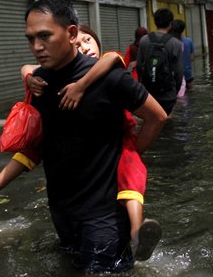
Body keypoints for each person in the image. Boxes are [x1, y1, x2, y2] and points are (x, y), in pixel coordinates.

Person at [0, 0, 167, 273]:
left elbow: (157, 117)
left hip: (104, 213)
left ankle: (134, 232)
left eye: (45, 36)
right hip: (61, 209)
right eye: (30, 39)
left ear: (71, 33)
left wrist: (128, 155)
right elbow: (36, 145)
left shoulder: (109, 77)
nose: (36, 47)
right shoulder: (39, 84)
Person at [20, 24, 160, 261]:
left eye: (88, 40)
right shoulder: (51, 79)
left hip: (122, 145)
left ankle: (137, 230)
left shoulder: (108, 69)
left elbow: (113, 58)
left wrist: (81, 86)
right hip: (68, 199)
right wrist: (29, 77)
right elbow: (26, 66)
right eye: (80, 44)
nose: (84, 47)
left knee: (131, 181)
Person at [136, 8, 183, 116]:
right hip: (167, 94)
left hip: (148, 94)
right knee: (166, 124)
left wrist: (144, 85)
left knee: (150, 121)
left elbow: (139, 66)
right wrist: (174, 92)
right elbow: (179, 73)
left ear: (155, 22)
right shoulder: (175, 43)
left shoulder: (144, 40)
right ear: (171, 24)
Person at [171, 19, 194, 91]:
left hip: (174, 74)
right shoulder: (188, 41)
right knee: (190, 90)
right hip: (187, 72)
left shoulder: (170, 42)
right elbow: (191, 58)